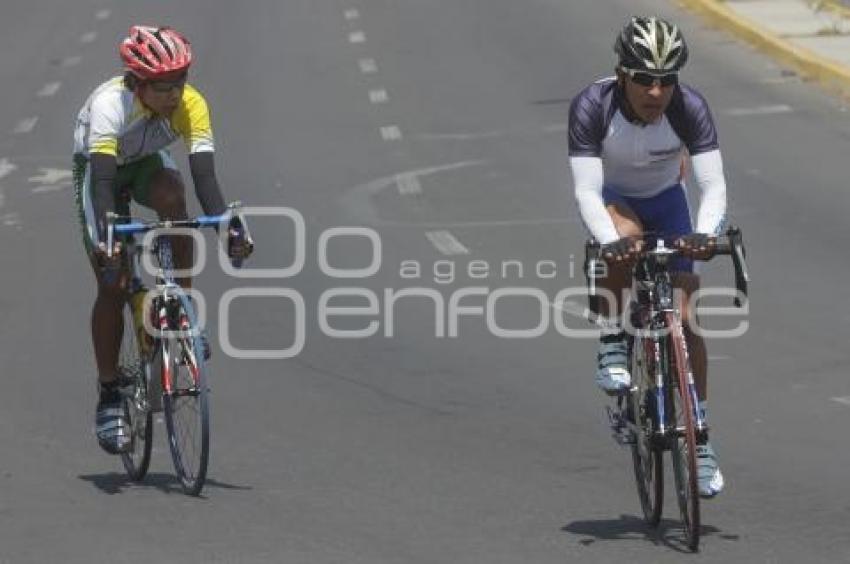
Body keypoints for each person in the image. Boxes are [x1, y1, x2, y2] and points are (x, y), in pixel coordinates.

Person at [72, 25, 253, 455]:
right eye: (163, 86)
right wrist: (110, 238)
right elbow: (102, 183)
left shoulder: (192, 105)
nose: (174, 94)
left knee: (176, 201)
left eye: (180, 82)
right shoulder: (109, 105)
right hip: (101, 171)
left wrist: (228, 225)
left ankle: (181, 307)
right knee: (112, 283)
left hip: (148, 163)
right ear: (137, 83)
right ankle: (110, 391)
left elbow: (205, 177)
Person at [568, 16, 727, 497]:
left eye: (666, 79)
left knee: (685, 317)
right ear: (621, 74)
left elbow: (713, 184)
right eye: (644, 78)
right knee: (626, 234)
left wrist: (703, 234)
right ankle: (614, 338)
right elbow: (586, 190)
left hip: (669, 203)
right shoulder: (592, 106)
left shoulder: (689, 107)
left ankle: (699, 441)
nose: (656, 92)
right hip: (617, 202)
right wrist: (610, 240)